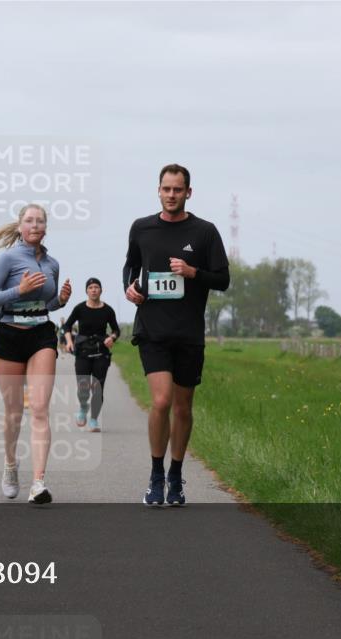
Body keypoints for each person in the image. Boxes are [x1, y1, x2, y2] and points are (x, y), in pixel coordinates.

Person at [123, 164, 229, 507]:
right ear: (158, 190)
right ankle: (156, 474)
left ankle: (175, 475)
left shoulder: (205, 232)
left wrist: (192, 271)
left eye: (177, 190)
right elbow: (130, 265)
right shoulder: (142, 228)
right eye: (166, 189)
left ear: (188, 193)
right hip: (152, 329)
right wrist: (130, 287)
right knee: (161, 401)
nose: (171, 195)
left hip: (188, 333)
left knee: (183, 408)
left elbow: (222, 279)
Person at [0, 204, 71, 504]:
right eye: (29, 221)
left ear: (46, 227)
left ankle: (38, 483)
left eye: (40, 221)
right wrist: (18, 291)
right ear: (20, 226)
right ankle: (10, 465)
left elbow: (49, 305)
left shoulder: (52, 264)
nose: (35, 225)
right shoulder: (7, 258)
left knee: (41, 409)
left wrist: (61, 299)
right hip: (9, 334)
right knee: (14, 413)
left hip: (41, 335)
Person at [63, 277, 120, 433]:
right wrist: (69, 342)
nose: (94, 290)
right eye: (91, 287)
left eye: (96, 287)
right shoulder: (80, 308)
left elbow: (116, 330)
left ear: (101, 290)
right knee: (83, 387)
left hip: (101, 352)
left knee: (98, 388)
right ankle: (83, 408)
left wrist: (112, 338)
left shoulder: (108, 310)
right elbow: (66, 326)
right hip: (82, 352)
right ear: (87, 291)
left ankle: (94, 420)